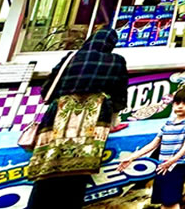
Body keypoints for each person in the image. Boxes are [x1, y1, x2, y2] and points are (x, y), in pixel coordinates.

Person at [27, 28, 129, 209]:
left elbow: (47, 90)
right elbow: (119, 94)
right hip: (94, 116)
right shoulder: (116, 60)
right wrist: (115, 115)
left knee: (48, 166)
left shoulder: (70, 57)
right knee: (78, 170)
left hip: (58, 114)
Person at [117, 85, 185, 209]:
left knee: (171, 201)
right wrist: (131, 158)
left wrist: (172, 161)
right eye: (177, 102)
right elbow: (153, 144)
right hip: (162, 165)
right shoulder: (168, 123)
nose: (180, 106)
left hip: (176, 166)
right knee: (163, 201)